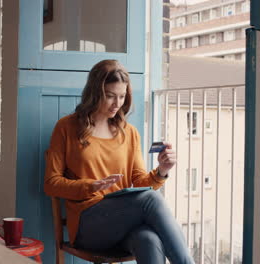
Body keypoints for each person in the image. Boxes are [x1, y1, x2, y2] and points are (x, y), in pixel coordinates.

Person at [44, 59, 194, 264]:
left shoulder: (129, 132)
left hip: (123, 225)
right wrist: (90, 186)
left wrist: (161, 171)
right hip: (87, 226)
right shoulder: (66, 127)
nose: (117, 104)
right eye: (110, 96)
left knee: (148, 239)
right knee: (151, 200)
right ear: (95, 93)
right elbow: (51, 183)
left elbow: (140, 182)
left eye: (122, 96)